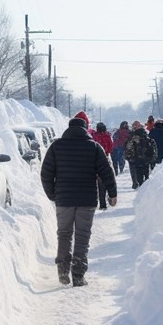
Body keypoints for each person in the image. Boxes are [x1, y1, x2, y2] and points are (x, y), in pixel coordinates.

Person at [41, 116, 117, 287]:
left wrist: (52, 194)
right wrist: (112, 193)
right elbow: (106, 172)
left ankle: (62, 271)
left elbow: (46, 173)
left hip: (64, 199)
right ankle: (78, 275)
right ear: (86, 128)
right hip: (87, 199)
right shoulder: (94, 147)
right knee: (82, 236)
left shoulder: (56, 146)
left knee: (64, 234)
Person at [125, 121, 157, 188]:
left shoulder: (133, 137)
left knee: (138, 176)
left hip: (136, 160)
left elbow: (128, 148)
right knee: (146, 176)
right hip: (146, 160)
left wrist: (128, 157)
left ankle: (137, 184)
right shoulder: (145, 135)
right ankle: (144, 188)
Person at [92, 122, 114, 209]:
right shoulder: (107, 136)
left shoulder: (94, 136)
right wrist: (106, 152)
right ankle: (103, 204)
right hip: (105, 159)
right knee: (103, 180)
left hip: (94, 160)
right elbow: (111, 147)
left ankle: (94, 202)